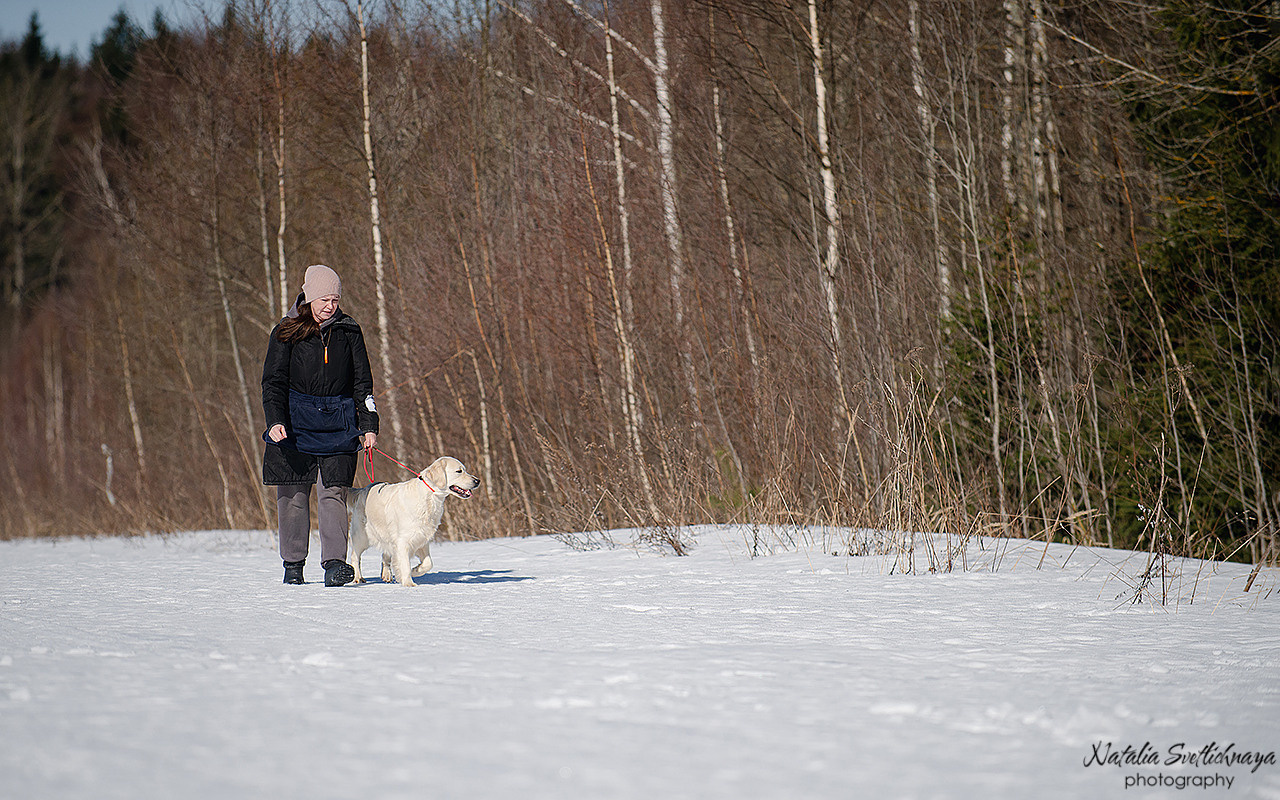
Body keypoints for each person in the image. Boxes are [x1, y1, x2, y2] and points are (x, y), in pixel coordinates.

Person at [261, 264, 378, 586]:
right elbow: (272, 383)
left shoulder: (349, 331)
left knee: (334, 493)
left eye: (335, 301)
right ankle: (293, 565)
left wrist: (369, 425)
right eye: (325, 299)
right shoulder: (285, 331)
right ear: (309, 297)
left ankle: (334, 565)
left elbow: (362, 384)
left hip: (340, 422)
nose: (330, 306)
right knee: (294, 495)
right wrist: (275, 422)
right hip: (294, 424)